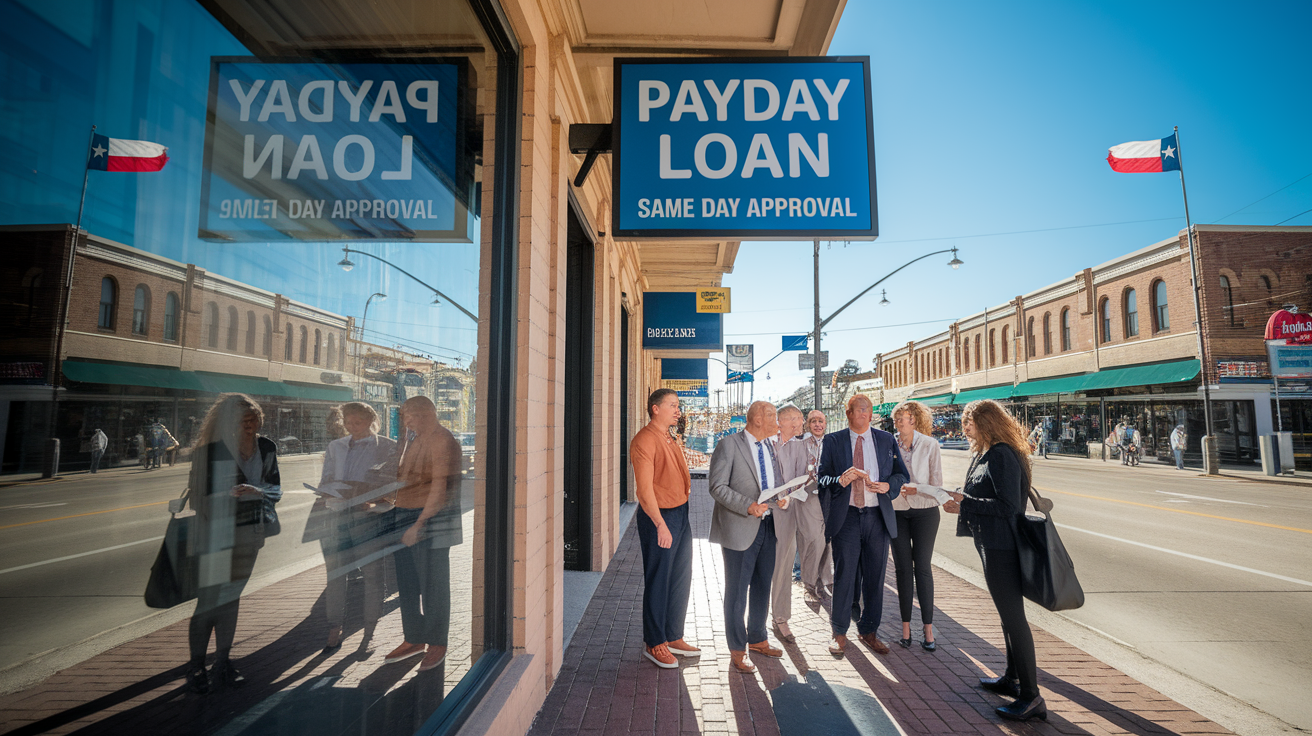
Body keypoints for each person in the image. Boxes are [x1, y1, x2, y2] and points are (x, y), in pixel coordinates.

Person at [943, 399, 1046, 722]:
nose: (964, 426)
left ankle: (1031, 695)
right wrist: (964, 498)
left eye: (969, 421)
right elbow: (986, 494)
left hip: (1004, 546)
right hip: (992, 543)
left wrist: (965, 504)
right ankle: (1012, 679)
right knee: (1006, 615)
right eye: (963, 421)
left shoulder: (1002, 454)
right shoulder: (986, 453)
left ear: (987, 422)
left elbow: (1007, 507)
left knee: (1014, 618)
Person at [184, 393, 282, 695]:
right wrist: (228, 495)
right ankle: (196, 666)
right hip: (215, 535)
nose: (251, 424)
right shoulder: (210, 452)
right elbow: (198, 500)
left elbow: (276, 489)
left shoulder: (267, 447)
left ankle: (223, 662)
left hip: (250, 533)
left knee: (231, 599)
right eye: (244, 419)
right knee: (209, 602)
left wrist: (258, 490)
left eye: (254, 418)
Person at [816, 393, 906, 657]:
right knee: (844, 577)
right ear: (849, 413)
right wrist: (840, 480)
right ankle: (839, 633)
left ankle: (869, 631)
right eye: (859, 409)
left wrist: (889, 485)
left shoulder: (886, 440)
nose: (864, 413)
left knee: (875, 578)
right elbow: (822, 479)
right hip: (848, 518)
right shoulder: (833, 441)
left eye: (868, 409)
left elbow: (902, 474)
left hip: (878, 516)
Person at [304, 402, 396, 653]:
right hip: (338, 516)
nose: (352, 427)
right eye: (348, 422)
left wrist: (374, 502)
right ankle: (334, 629)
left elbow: (392, 486)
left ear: (370, 420)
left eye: (357, 422)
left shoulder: (387, 446)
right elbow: (326, 480)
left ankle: (369, 633)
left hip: (369, 517)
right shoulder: (336, 446)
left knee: (373, 575)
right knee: (336, 574)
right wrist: (328, 492)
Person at [708, 400, 789, 674]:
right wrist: (747, 506)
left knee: (762, 585)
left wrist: (783, 497)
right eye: (772, 416)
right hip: (740, 527)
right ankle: (737, 649)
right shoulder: (729, 445)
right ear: (757, 419)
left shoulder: (769, 446)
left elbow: (773, 483)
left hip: (768, 526)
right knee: (737, 591)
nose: (776, 421)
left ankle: (758, 638)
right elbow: (717, 487)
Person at [383, 396, 463, 673]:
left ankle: (437, 643)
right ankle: (414, 638)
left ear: (427, 414)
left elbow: (439, 488)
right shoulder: (413, 439)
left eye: (412, 416)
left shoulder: (442, 439)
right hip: (404, 514)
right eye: (406, 417)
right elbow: (404, 477)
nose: (408, 421)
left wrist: (418, 525)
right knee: (407, 585)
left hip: (428, 519)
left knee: (434, 585)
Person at [630, 388, 698, 669]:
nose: (677, 410)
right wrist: (660, 524)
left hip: (680, 513)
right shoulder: (644, 440)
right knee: (659, 579)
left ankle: (672, 635)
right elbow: (644, 491)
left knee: (681, 576)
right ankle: (654, 641)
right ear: (655, 408)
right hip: (660, 516)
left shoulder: (669, 437)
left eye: (678, 405)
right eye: (672, 405)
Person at [889, 401, 945, 652]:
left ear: (915, 419)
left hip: (925, 512)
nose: (900, 422)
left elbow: (937, 485)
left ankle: (928, 629)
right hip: (897, 511)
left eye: (905, 417)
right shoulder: (889, 443)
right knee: (902, 569)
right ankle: (905, 628)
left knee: (922, 567)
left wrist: (917, 488)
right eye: (897, 418)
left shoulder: (930, 444)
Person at [768, 404, 807, 643]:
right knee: (758, 569)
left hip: (786, 513)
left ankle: (780, 618)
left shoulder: (799, 446)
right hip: (760, 513)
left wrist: (790, 497)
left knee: (783, 568)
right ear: (782, 421)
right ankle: (752, 618)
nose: (799, 424)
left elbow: (804, 480)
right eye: (796, 419)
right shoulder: (764, 444)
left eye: (800, 420)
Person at [798, 410, 834, 602]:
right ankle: (809, 582)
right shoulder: (801, 444)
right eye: (813, 421)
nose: (818, 425)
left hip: (827, 494)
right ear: (807, 424)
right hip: (808, 495)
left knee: (827, 538)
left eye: (821, 421)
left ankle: (826, 578)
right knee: (814, 538)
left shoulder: (831, 443)